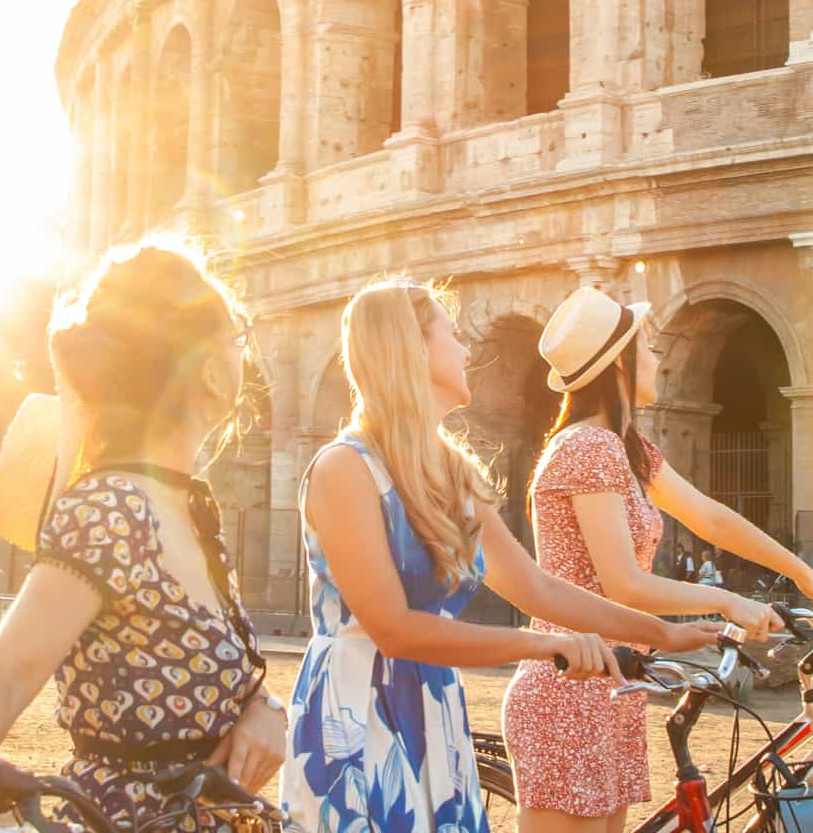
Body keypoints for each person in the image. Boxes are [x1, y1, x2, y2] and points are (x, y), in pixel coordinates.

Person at [282, 278, 721, 833]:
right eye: (452, 334)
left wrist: (663, 633)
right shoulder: (344, 467)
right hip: (354, 715)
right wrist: (545, 644)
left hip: (434, 705)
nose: (467, 350)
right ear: (413, 348)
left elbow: (537, 588)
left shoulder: (451, 471)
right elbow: (392, 628)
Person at [0, 244, 285, 832]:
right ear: (207, 368)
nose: (244, 353)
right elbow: (10, 666)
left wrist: (262, 708)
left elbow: (214, 673)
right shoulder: (114, 510)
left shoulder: (186, 506)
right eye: (238, 336)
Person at [502, 286, 813, 832]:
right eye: (648, 345)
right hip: (568, 689)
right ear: (620, 360)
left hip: (611, 683)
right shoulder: (587, 449)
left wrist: (808, 578)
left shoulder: (626, 446)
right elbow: (624, 583)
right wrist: (730, 601)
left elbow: (710, 518)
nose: (659, 356)